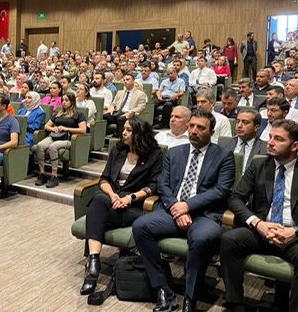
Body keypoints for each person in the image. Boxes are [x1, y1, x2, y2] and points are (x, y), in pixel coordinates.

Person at [132, 110, 235, 312]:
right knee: (140, 227)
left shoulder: (224, 156)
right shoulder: (175, 152)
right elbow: (163, 185)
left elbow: (221, 190)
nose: (194, 131)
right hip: (173, 211)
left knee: (203, 238)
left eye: (201, 127)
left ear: (211, 131)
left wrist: (188, 206)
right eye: (192, 126)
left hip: (204, 215)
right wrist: (176, 208)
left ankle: (190, 297)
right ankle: (163, 289)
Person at [221, 120, 298, 312]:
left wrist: (295, 231)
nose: (270, 142)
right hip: (262, 230)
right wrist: (258, 223)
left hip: (296, 236)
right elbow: (235, 198)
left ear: (295, 146)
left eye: (278, 139)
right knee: (229, 239)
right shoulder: (259, 164)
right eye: (270, 137)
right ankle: (235, 304)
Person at [80, 118, 163, 295]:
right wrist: (113, 195)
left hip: (134, 205)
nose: (123, 133)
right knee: (100, 199)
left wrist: (130, 198)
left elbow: (154, 186)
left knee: (95, 215)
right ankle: (94, 261)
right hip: (113, 198)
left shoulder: (154, 154)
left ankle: (91, 268)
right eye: (123, 129)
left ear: (139, 134)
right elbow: (104, 179)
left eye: (128, 130)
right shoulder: (118, 150)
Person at [35, 93, 87, 188]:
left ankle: (54, 176)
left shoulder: (78, 114)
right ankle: (42, 174)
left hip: (69, 138)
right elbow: (46, 125)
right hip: (54, 135)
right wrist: (53, 129)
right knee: (40, 146)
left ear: (72, 102)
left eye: (66, 100)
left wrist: (67, 128)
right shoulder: (58, 113)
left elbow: (83, 130)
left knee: (53, 147)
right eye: (62, 100)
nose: (64, 102)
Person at [217, 109, 267, 175]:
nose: (239, 126)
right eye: (238, 121)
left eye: (245, 122)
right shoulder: (223, 143)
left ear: (256, 127)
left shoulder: (265, 148)